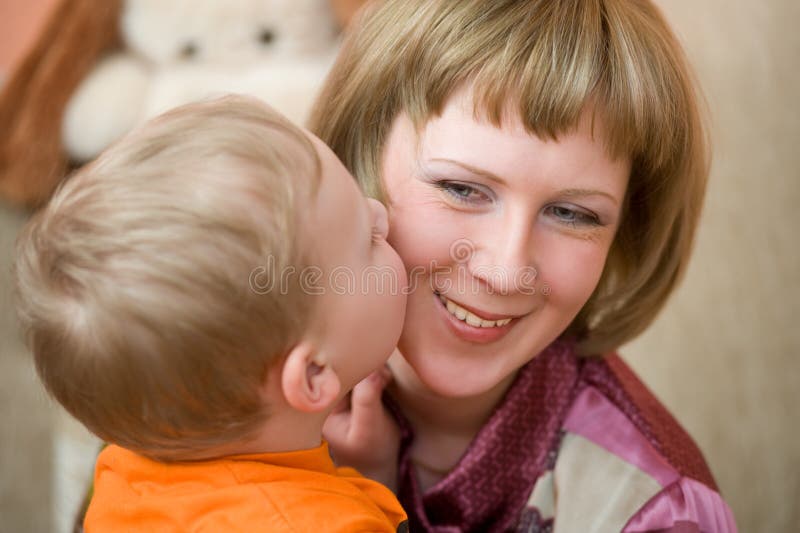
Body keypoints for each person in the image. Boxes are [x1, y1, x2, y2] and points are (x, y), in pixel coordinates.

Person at [310, 1, 738, 531]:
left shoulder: (658, 512)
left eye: (570, 213)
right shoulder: (237, 363)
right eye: (462, 189)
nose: (506, 270)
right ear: (354, 160)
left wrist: (369, 505)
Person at [13, 95, 410, 532]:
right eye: (367, 241)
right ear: (313, 374)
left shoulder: (122, 471)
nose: (381, 214)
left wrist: (371, 474)